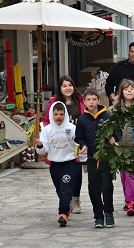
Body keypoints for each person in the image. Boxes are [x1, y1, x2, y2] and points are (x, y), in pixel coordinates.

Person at [43, 75, 85, 213]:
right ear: (60, 89)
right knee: (60, 177)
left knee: (77, 171)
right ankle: (65, 200)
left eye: (70, 85)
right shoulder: (54, 103)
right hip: (60, 144)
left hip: (76, 140)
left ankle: (75, 198)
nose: (68, 88)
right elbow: (47, 122)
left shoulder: (80, 101)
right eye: (64, 86)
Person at [75, 88, 114, 228]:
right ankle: (98, 216)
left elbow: (116, 131)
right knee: (93, 189)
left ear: (98, 100)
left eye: (94, 99)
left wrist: (113, 138)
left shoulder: (107, 116)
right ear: (84, 101)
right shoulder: (81, 119)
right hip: (91, 158)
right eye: (88, 100)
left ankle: (109, 213)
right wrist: (83, 145)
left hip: (106, 157)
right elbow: (78, 137)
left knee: (107, 187)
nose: (91, 102)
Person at [35, 102, 77, 227]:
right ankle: (67, 204)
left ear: (66, 114)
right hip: (55, 164)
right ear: (51, 114)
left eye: (61, 114)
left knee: (65, 188)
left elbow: (77, 144)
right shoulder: (47, 130)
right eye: (56, 114)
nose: (59, 117)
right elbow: (44, 149)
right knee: (59, 189)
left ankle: (63, 214)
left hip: (69, 163)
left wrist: (82, 157)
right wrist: (40, 145)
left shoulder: (72, 128)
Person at [110, 79, 134, 216]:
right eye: (126, 88)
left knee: (131, 175)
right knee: (124, 176)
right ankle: (127, 199)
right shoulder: (114, 110)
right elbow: (109, 127)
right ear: (121, 92)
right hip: (120, 147)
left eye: (132, 88)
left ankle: (131, 202)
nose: (129, 91)